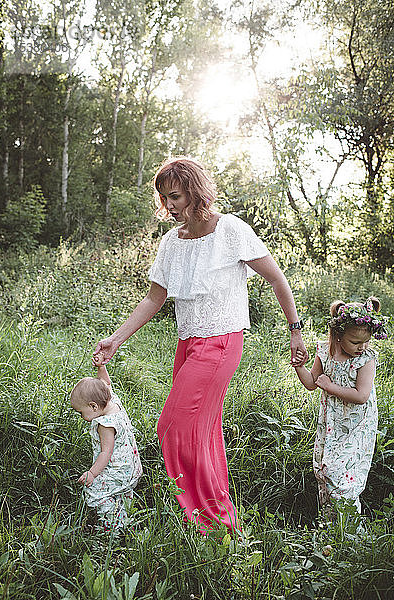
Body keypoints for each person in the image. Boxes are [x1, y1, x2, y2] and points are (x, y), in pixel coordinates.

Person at [93, 156, 307, 533]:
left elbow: (277, 280)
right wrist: (116, 338)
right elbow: (153, 299)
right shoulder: (170, 243)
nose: (169, 204)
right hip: (188, 343)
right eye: (164, 197)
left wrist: (296, 330)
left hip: (222, 341)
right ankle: (215, 521)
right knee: (202, 431)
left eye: (175, 195)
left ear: (194, 191)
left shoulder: (229, 230)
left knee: (172, 427)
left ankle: (211, 519)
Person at [293, 297, 388, 515]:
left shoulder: (366, 359)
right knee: (324, 469)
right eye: (355, 342)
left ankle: (350, 530)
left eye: (366, 341)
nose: (362, 347)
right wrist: (299, 366)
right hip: (331, 424)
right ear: (338, 336)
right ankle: (329, 524)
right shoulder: (326, 352)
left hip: (356, 425)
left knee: (343, 474)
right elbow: (311, 383)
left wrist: (330, 386)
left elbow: (361, 395)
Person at [70, 353, 143, 530]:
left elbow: (106, 452)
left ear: (94, 406)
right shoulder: (112, 402)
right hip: (132, 467)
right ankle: (125, 517)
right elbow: (106, 384)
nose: (82, 416)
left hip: (118, 470)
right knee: (119, 493)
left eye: (81, 412)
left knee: (96, 492)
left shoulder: (105, 424)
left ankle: (112, 528)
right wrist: (101, 367)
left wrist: (92, 473)